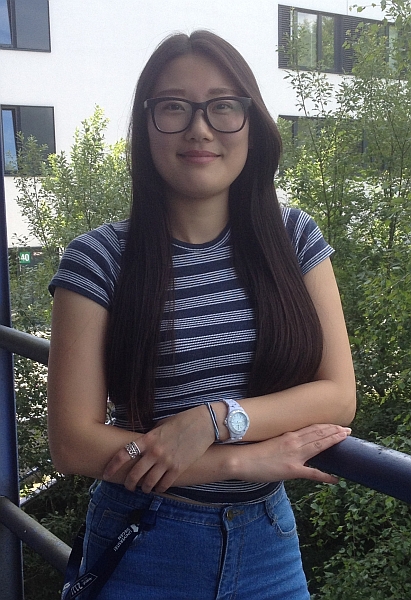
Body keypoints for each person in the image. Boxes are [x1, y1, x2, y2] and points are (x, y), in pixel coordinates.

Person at [47, 30, 356, 600]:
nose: (200, 128)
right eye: (174, 107)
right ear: (146, 124)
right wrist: (242, 461)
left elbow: (337, 396)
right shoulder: (99, 258)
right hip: (144, 540)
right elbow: (72, 443)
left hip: (268, 545)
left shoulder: (294, 238)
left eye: (222, 106)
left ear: (251, 123)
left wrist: (213, 420)